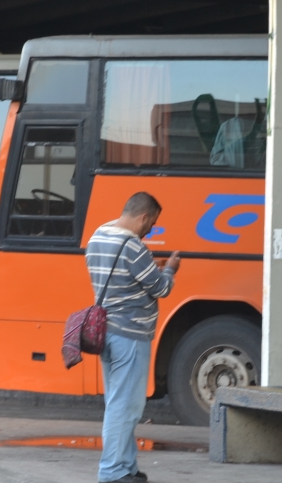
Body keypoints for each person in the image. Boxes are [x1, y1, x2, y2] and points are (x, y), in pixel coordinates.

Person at [86, 192, 181, 483]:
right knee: (125, 406)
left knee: (120, 401)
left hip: (106, 333)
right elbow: (161, 288)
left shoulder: (97, 236)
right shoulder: (132, 246)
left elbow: (124, 280)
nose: (150, 230)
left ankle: (126, 466)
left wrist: (152, 269)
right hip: (130, 335)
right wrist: (170, 270)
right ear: (142, 217)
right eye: (150, 224)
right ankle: (112, 472)